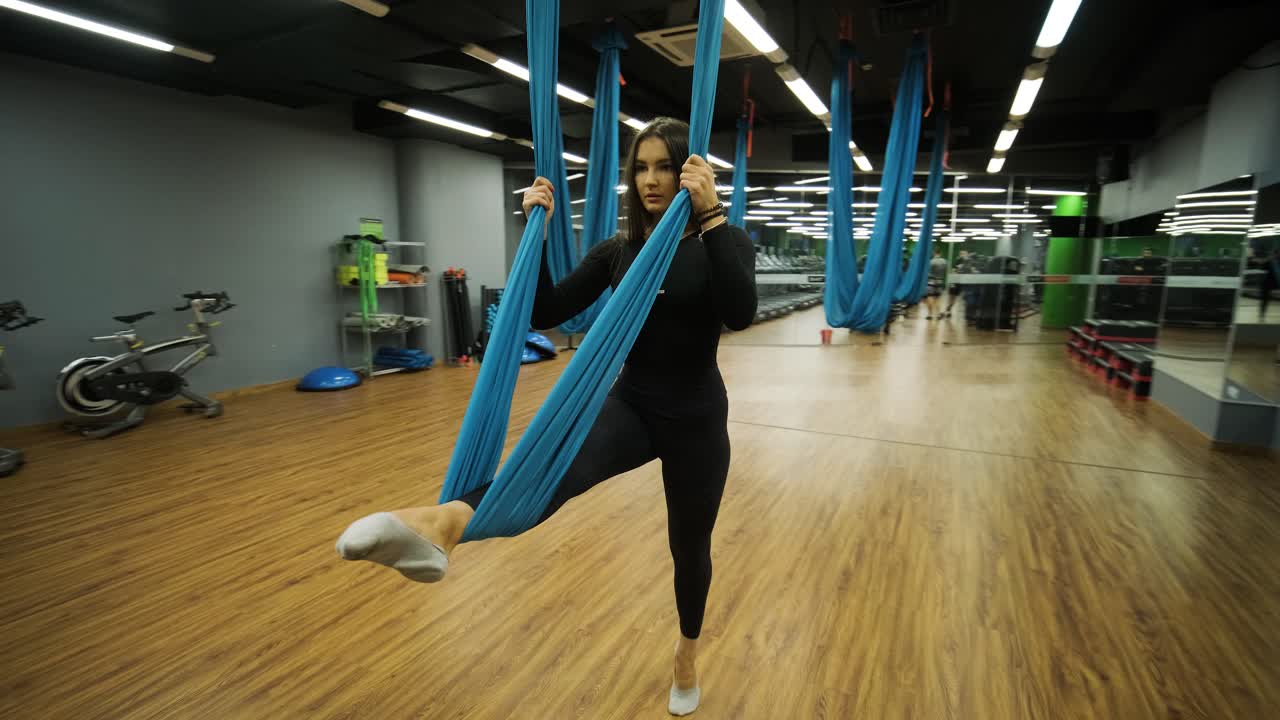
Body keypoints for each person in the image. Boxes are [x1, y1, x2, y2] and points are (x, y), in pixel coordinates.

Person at [335, 117, 757, 717]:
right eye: (641, 168)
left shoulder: (724, 241)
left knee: (689, 548)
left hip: (696, 417)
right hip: (634, 405)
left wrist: (710, 212)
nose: (651, 180)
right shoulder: (619, 252)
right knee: (552, 471)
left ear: (689, 170)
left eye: (665, 166)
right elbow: (544, 311)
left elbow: (740, 312)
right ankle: (440, 525)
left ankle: (686, 653)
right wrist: (535, 230)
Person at [941, 249, 969, 319]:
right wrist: (953, 281)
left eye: (964, 254)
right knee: (952, 298)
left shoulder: (968, 262)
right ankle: (948, 310)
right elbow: (953, 270)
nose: (963, 255)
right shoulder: (958, 261)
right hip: (955, 282)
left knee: (957, 299)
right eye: (962, 254)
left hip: (962, 283)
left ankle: (948, 310)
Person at [924, 249, 947, 319]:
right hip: (940, 281)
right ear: (940, 253)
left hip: (931, 282)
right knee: (938, 298)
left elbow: (927, 272)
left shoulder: (931, 261)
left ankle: (930, 314)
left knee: (930, 297)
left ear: (934, 253)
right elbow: (945, 272)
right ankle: (938, 314)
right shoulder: (944, 261)